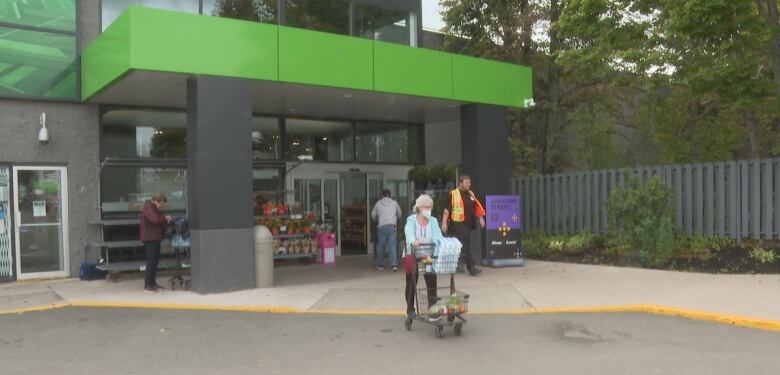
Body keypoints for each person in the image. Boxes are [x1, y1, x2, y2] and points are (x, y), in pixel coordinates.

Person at [403, 194, 442, 321]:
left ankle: (432, 309)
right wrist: (413, 240)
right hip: (412, 254)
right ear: (419, 207)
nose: (428, 210)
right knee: (411, 281)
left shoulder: (433, 221)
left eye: (430, 207)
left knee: (431, 281)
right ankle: (410, 309)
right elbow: (408, 232)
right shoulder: (411, 220)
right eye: (426, 207)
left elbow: (437, 235)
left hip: (427, 255)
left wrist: (438, 242)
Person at [441, 175, 485, 276]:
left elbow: (476, 207)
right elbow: (446, 210)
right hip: (457, 223)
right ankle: (471, 268)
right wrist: (444, 223)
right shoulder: (453, 194)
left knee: (466, 245)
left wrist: (481, 218)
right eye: (466, 183)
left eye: (469, 183)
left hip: (468, 224)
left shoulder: (470, 193)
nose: (469, 185)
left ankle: (466, 265)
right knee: (466, 243)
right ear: (460, 183)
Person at [140, 193, 171, 292]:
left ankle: (152, 283)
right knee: (151, 262)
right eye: (161, 204)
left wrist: (164, 220)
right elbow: (156, 220)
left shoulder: (152, 207)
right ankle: (148, 285)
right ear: (156, 200)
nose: (161, 206)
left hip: (154, 238)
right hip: (150, 239)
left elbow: (157, 220)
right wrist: (165, 218)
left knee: (154, 262)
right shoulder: (149, 207)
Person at [371, 189, 402, 271]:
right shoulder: (394, 203)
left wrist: (376, 220)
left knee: (381, 246)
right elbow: (399, 214)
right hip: (392, 226)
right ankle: (394, 265)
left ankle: (380, 265)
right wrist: (396, 218)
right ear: (390, 195)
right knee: (392, 246)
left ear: (382, 195)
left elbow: (373, 215)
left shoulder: (378, 203)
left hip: (382, 226)